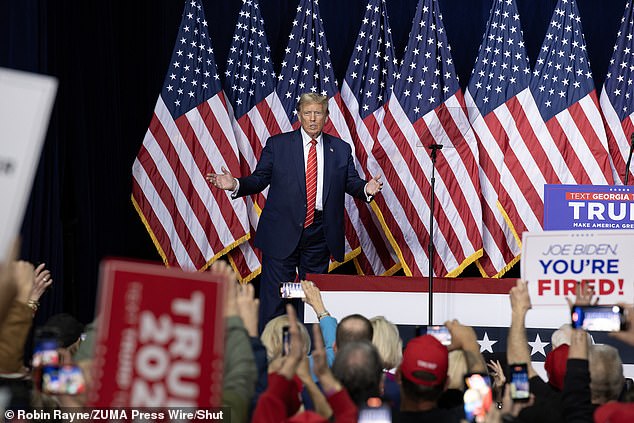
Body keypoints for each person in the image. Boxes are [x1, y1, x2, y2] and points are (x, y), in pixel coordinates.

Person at [206, 93, 383, 330]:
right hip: (281, 232)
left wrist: (366, 188)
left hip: (320, 235)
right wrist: (236, 184)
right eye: (307, 113)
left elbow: (351, 182)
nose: (312, 119)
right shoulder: (277, 145)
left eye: (318, 113)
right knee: (275, 301)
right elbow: (259, 180)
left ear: (326, 117)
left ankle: (311, 356)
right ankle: (271, 354)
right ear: (299, 115)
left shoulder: (340, 149)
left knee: (312, 301)